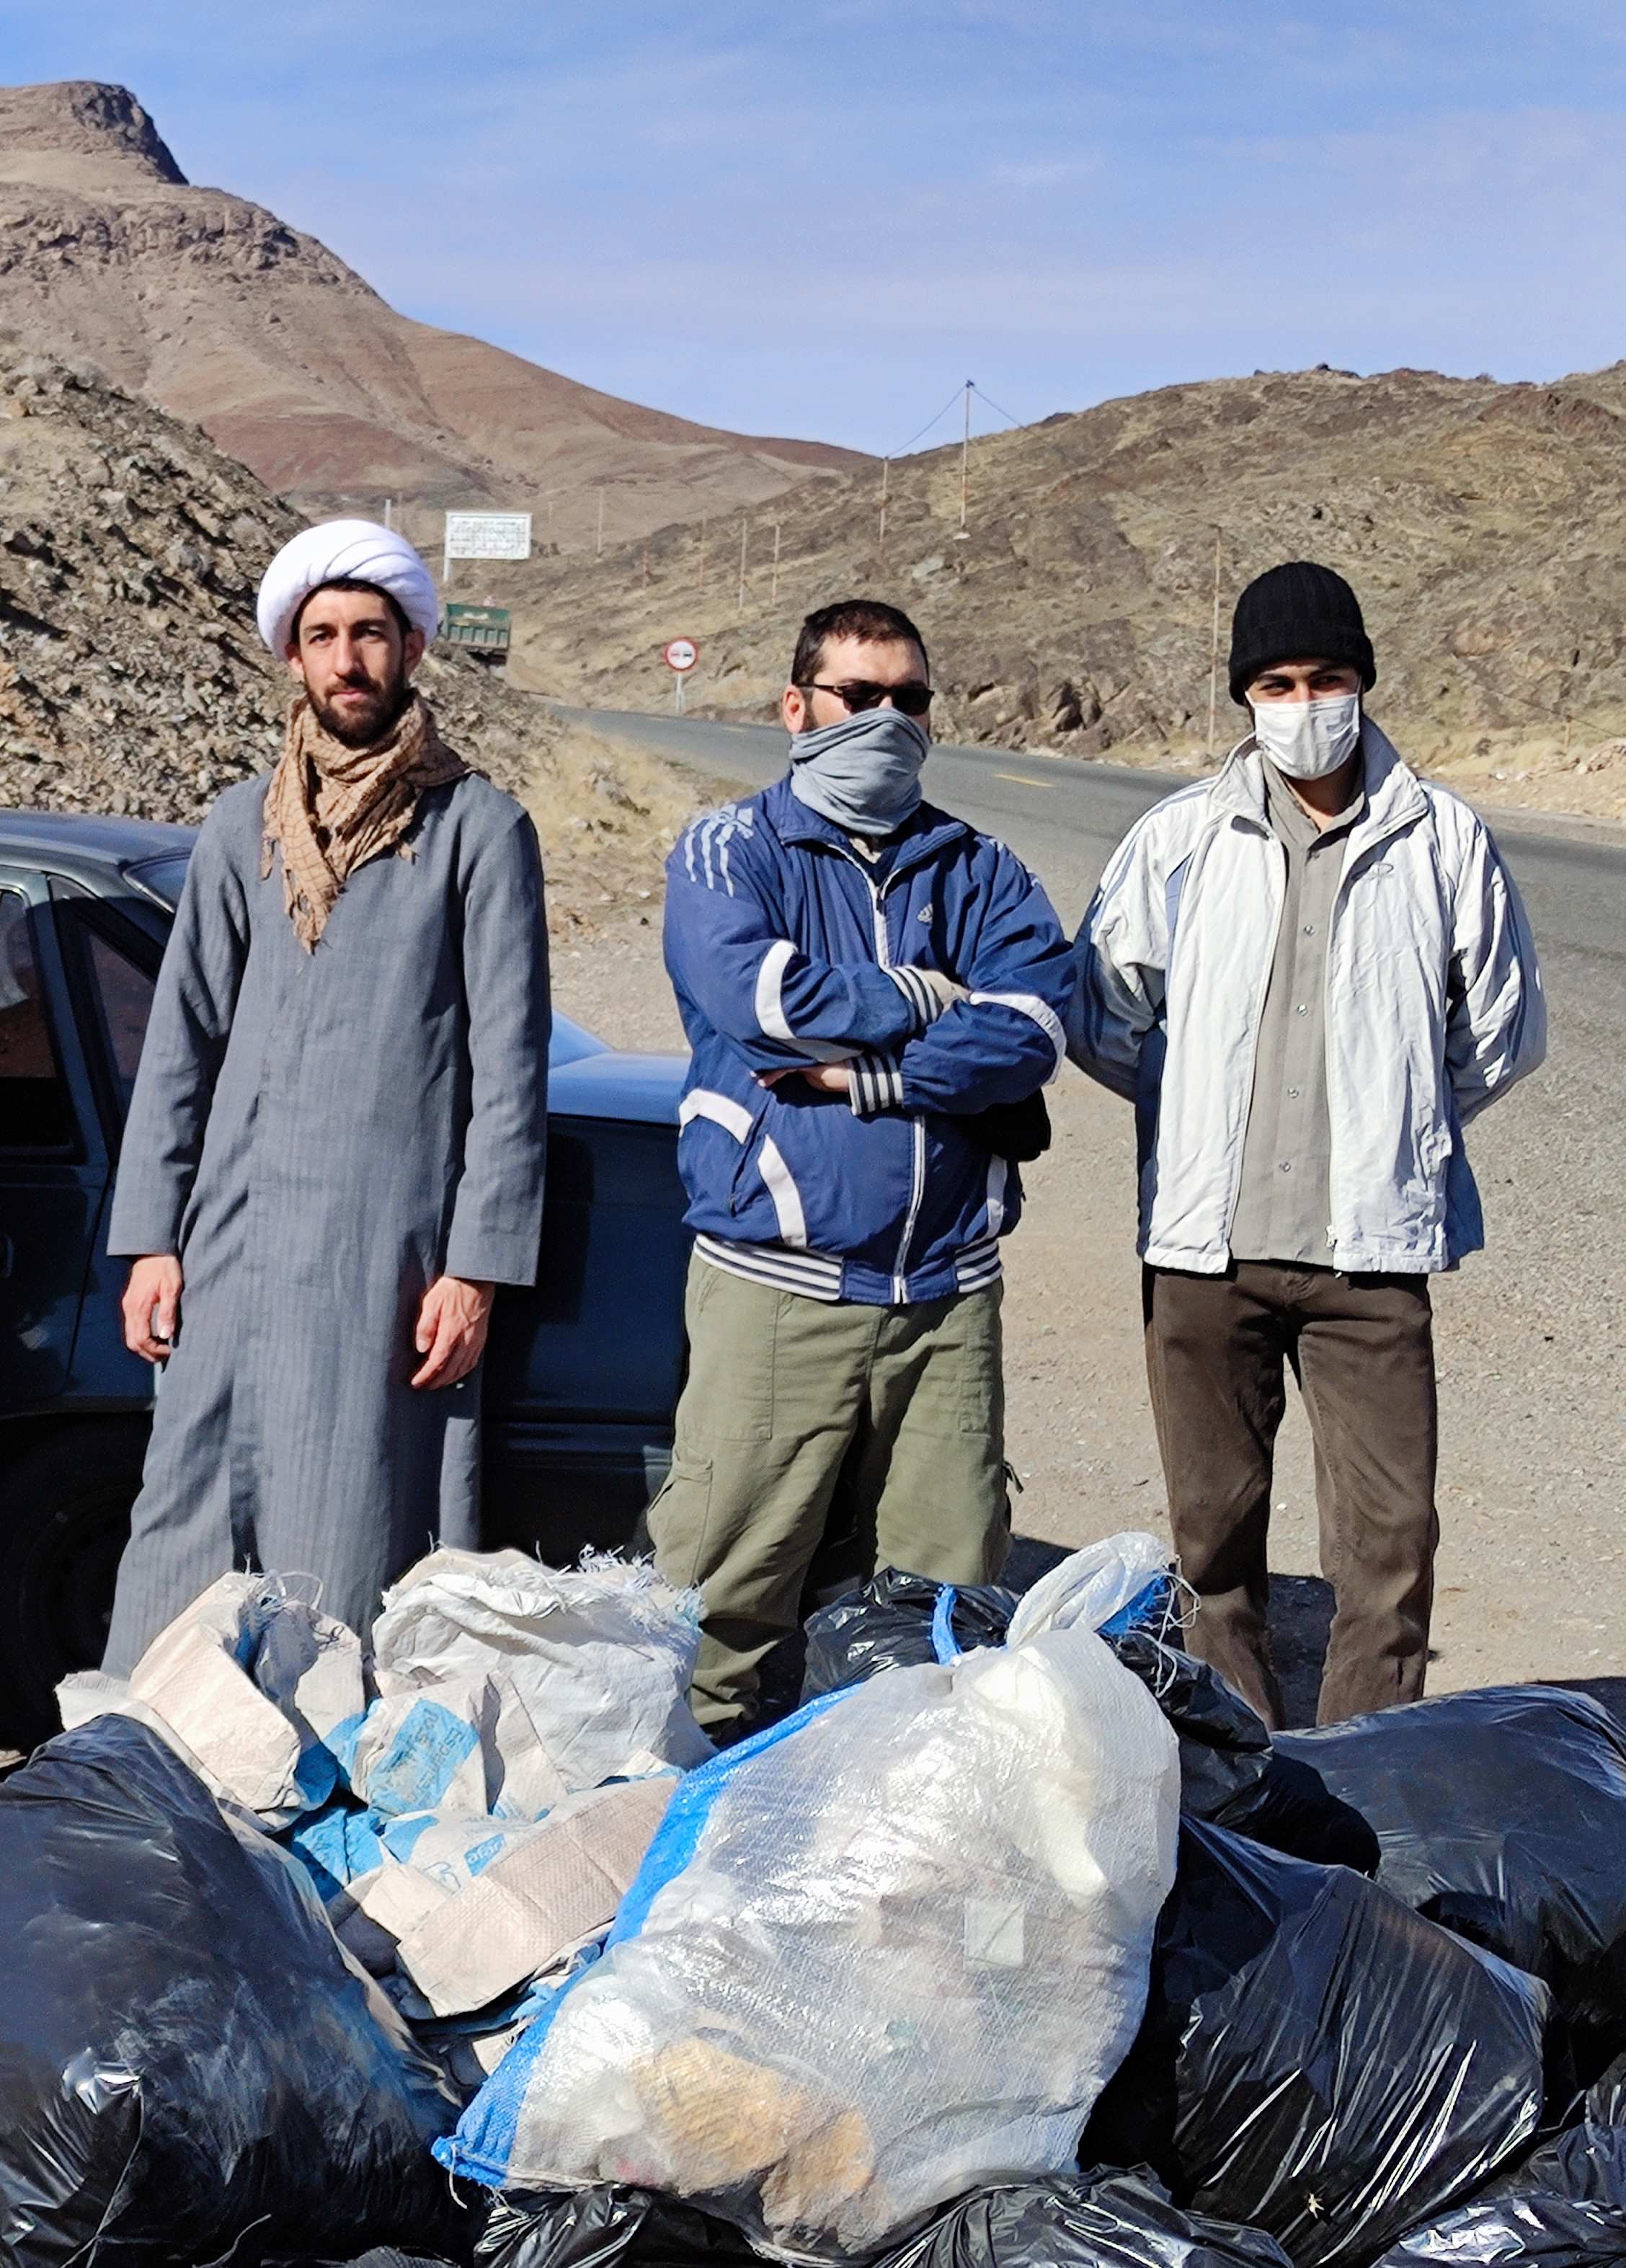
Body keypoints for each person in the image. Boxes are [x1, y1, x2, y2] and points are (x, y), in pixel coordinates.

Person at [1071, 561, 1544, 1727]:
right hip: (1203, 1259)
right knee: (1212, 1544)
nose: (1303, 703)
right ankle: (1242, 1787)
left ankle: (1363, 1787)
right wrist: (1193, 1120)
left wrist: (1403, 1127)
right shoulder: (1181, 839)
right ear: (1245, 697)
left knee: (1388, 1550)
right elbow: (1103, 1009)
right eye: (1276, 682)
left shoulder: (1442, 842)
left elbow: (1501, 1032)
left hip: (1367, 1264)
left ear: (1363, 683)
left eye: (1325, 677)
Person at [102, 517, 551, 1667]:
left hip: (382, 1256)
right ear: (292, 659)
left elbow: (509, 1065)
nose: (347, 659)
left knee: (350, 1523)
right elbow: (183, 1043)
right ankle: (157, 1779)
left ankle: (327, 1783)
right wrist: (153, 1240)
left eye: (369, 634)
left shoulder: (478, 830)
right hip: (231, 1246)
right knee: (188, 1514)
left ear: (410, 649)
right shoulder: (238, 825)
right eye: (323, 636)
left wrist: (476, 1268)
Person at [647, 599, 1075, 1735]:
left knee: (945, 1619)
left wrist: (870, 1077)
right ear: (798, 708)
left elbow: (1033, 1026)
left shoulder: (979, 868)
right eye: (858, 696)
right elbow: (762, 1003)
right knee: (717, 1603)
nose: (886, 720)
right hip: (777, 1289)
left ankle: (900, 1857)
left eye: (910, 700)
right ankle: (668, 1841)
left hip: (947, 1297)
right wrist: (931, 997)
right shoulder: (729, 848)